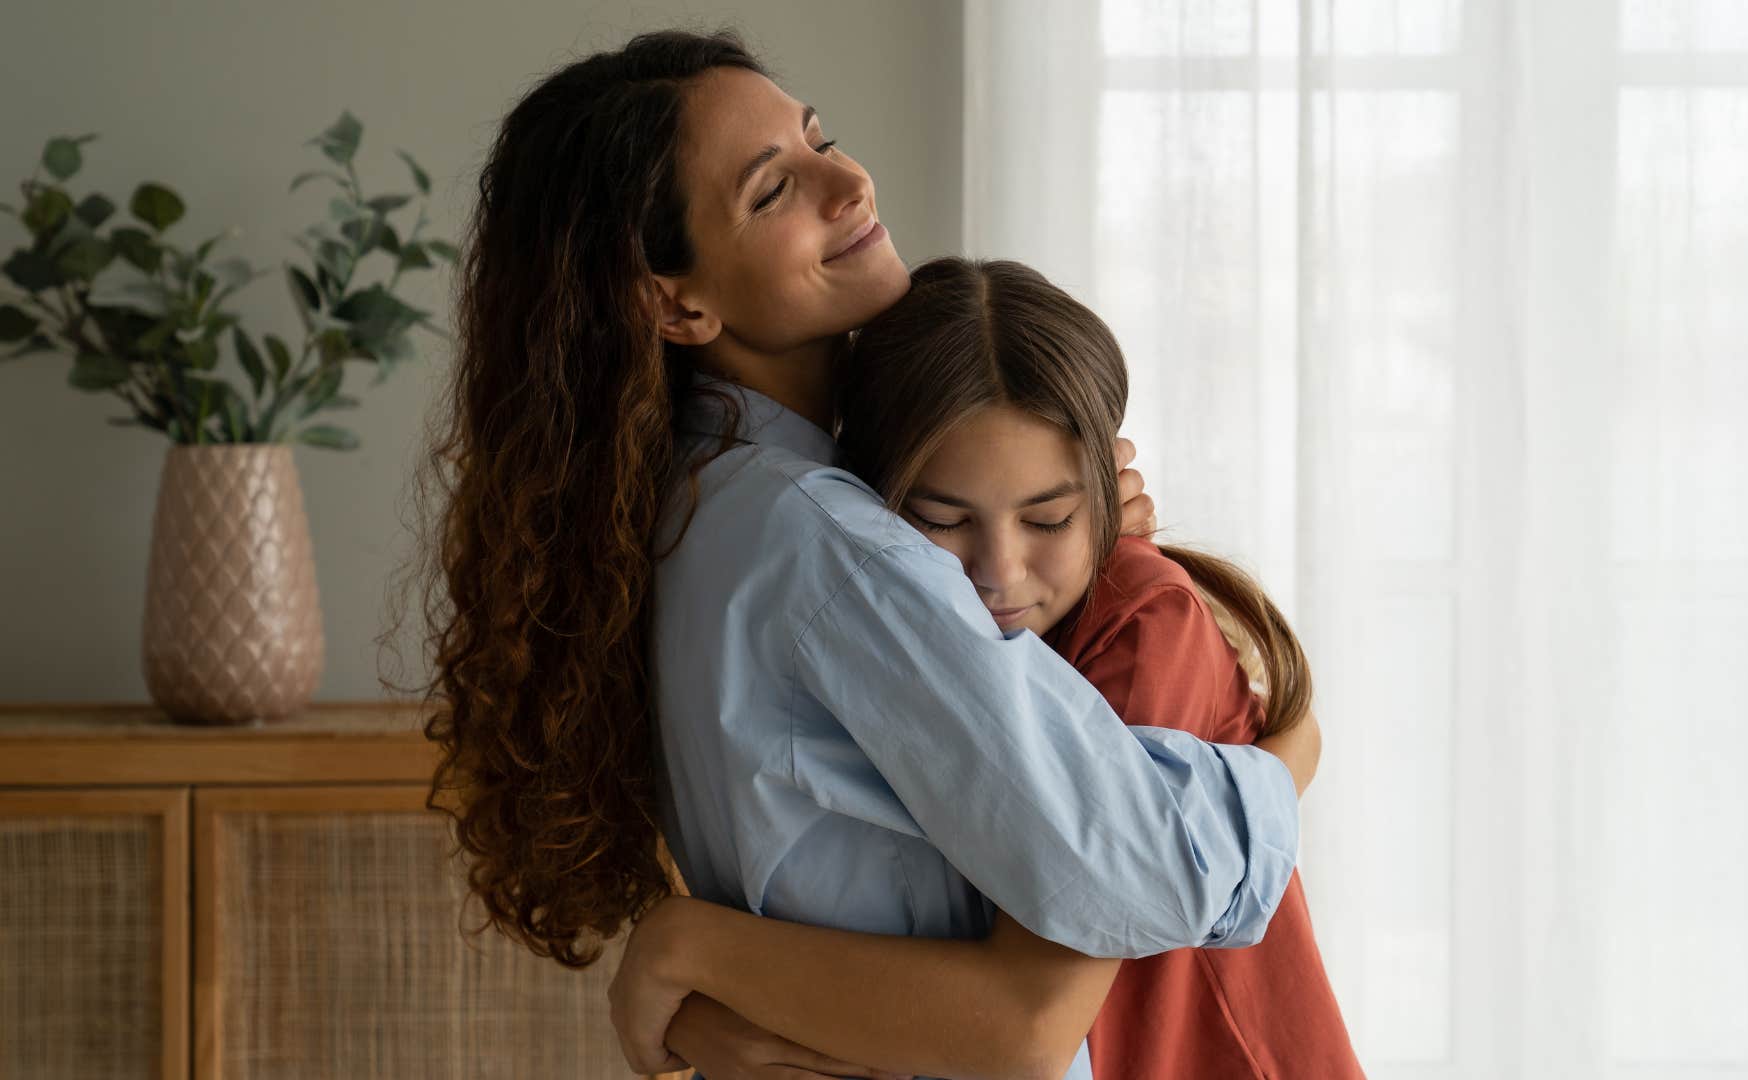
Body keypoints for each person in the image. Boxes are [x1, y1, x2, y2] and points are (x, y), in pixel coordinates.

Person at [415, 30, 1319, 1079]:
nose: (849, 183)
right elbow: (1127, 897)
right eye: (773, 190)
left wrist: (691, 958)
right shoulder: (832, 548)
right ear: (674, 301)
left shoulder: (687, 507)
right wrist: (1289, 755)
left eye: (822, 141)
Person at [611, 258, 1364, 1079]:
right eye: (939, 520)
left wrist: (692, 955)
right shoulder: (889, 624)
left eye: (1048, 518)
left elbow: (1031, 1014)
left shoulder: (1144, 628)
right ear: (877, 508)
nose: (999, 572)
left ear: (1109, 489)